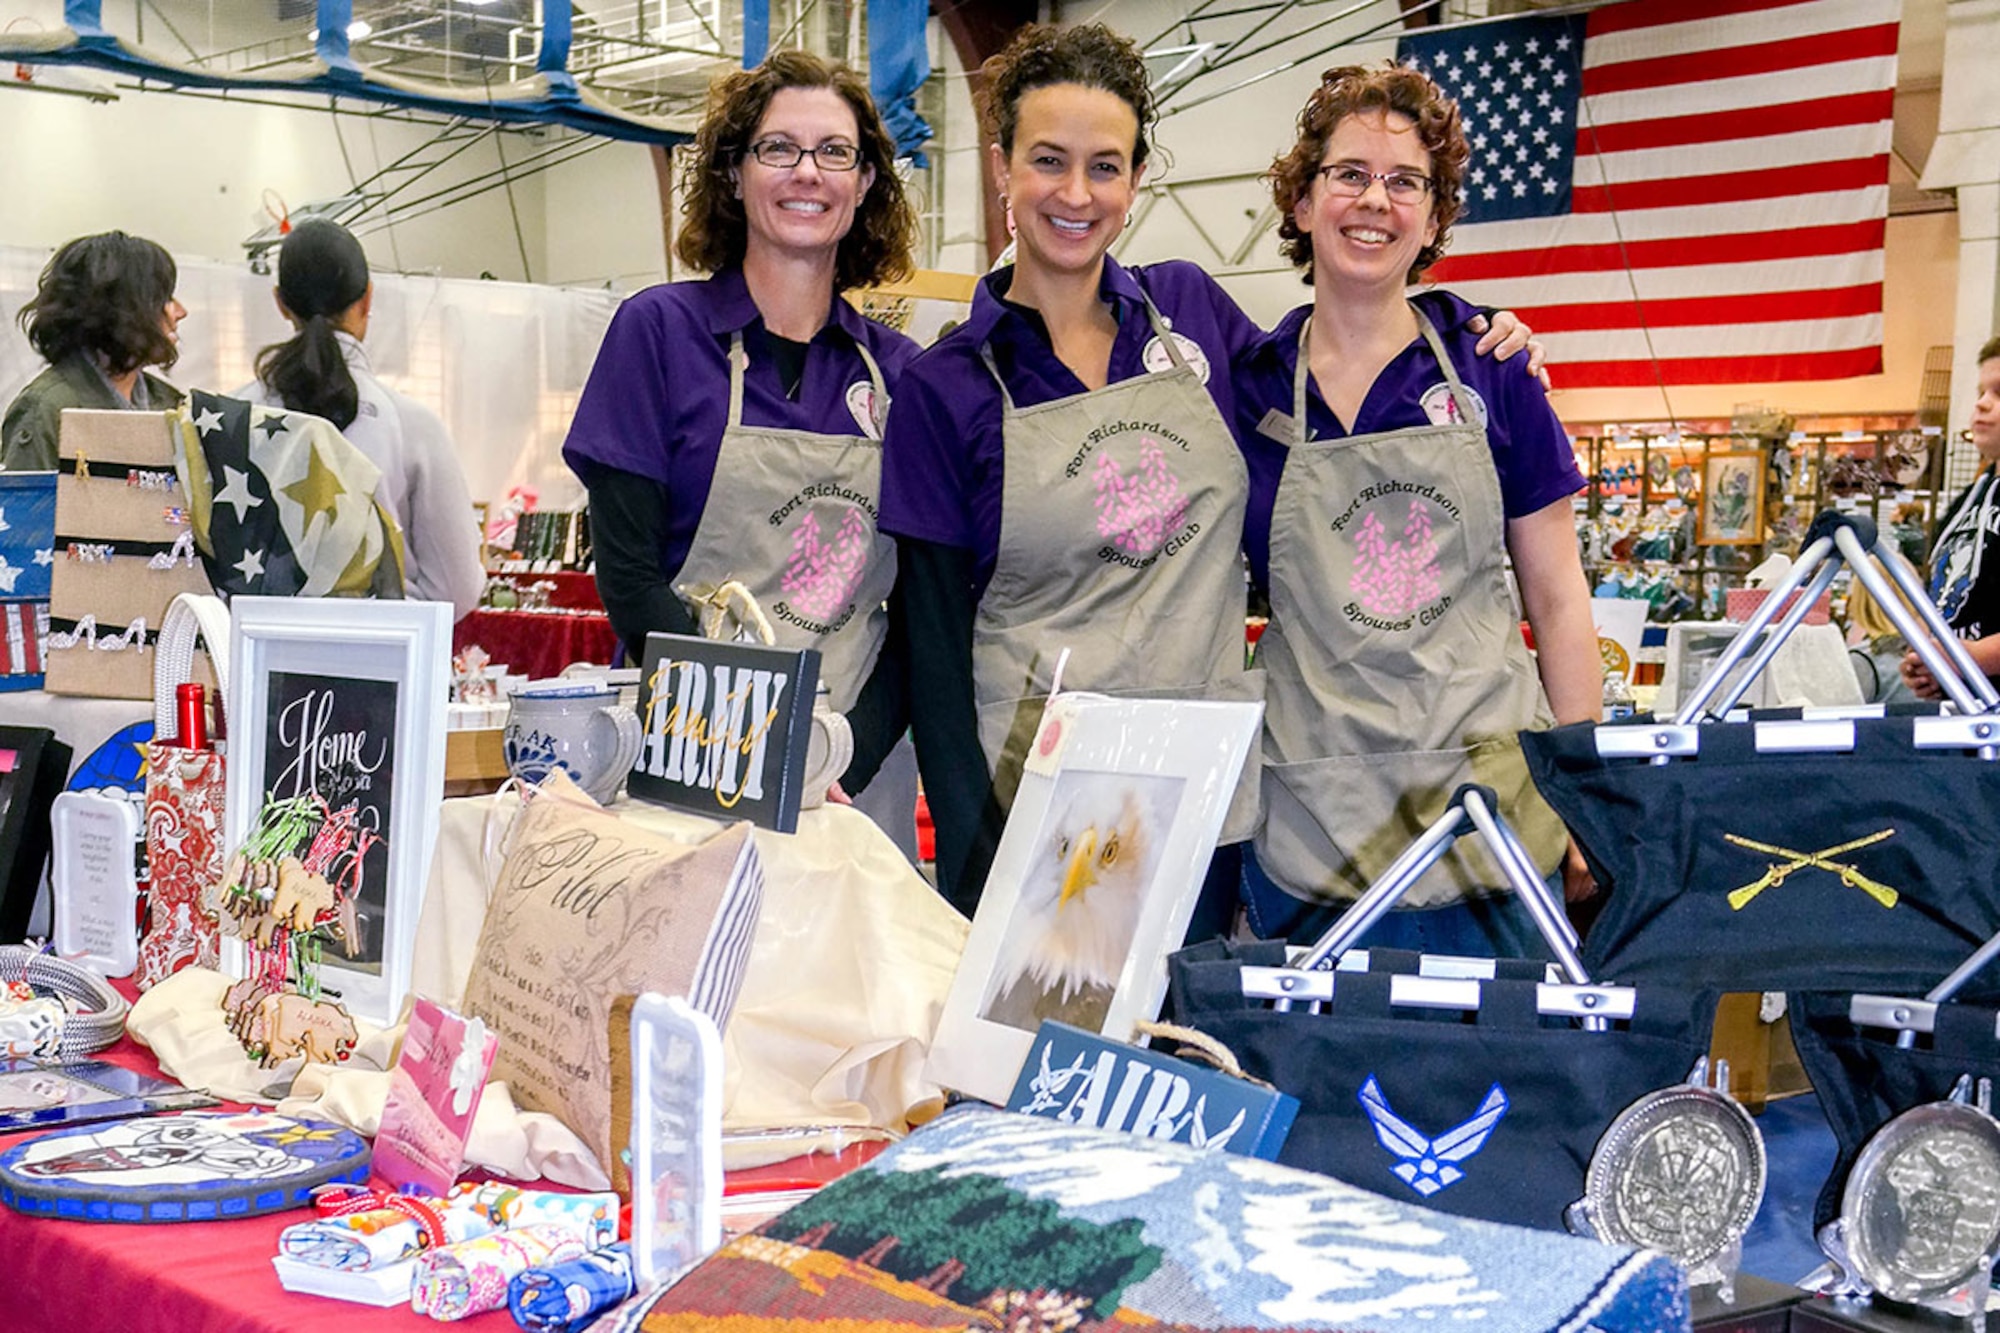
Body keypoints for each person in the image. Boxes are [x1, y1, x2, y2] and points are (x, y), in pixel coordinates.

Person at [879, 25, 1540, 918]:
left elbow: (1343, 348)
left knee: (1193, 1045)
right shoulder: (944, 386)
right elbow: (932, 643)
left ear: (1137, 181)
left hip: (1208, 804)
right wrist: (973, 856)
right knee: (1057, 1056)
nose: (1076, 194)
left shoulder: (1190, 311)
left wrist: (1465, 328)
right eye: (1048, 160)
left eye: (1105, 166)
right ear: (1002, 167)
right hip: (1039, 808)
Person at [1233, 62, 1598, 953]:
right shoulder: (1243, 390)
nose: (1375, 201)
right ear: (1302, 200)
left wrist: (1593, 795)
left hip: (1492, 820)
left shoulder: (1494, 372)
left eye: (1406, 183)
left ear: (1434, 218)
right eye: (1350, 173)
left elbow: (1559, 600)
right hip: (1312, 827)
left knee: (1502, 1083)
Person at [562, 49, 921, 820]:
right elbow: (627, 576)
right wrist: (744, 749)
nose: (807, 173)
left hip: (848, 775)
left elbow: (920, 613)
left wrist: (839, 758)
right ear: (733, 172)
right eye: (778, 149)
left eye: (834, 153)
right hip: (690, 753)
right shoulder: (657, 334)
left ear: (864, 184)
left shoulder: (904, 378)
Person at [240, 218, 486, 620]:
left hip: (265, 658)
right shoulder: (414, 425)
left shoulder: (234, 414)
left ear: (280, 302)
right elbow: (458, 586)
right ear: (368, 298)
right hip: (385, 660)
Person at [4, 231, 186, 471]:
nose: (180, 312)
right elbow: (30, 507)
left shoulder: (169, 404)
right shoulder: (48, 411)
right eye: (163, 299)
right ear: (123, 310)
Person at [1902, 335, 2000, 699]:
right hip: (1965, 712)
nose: (1981, 405)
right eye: (1981, 392)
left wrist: (1970, 657)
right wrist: (1925, 655)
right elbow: (1940, 590)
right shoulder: (1970, 497)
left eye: (1999, 393)